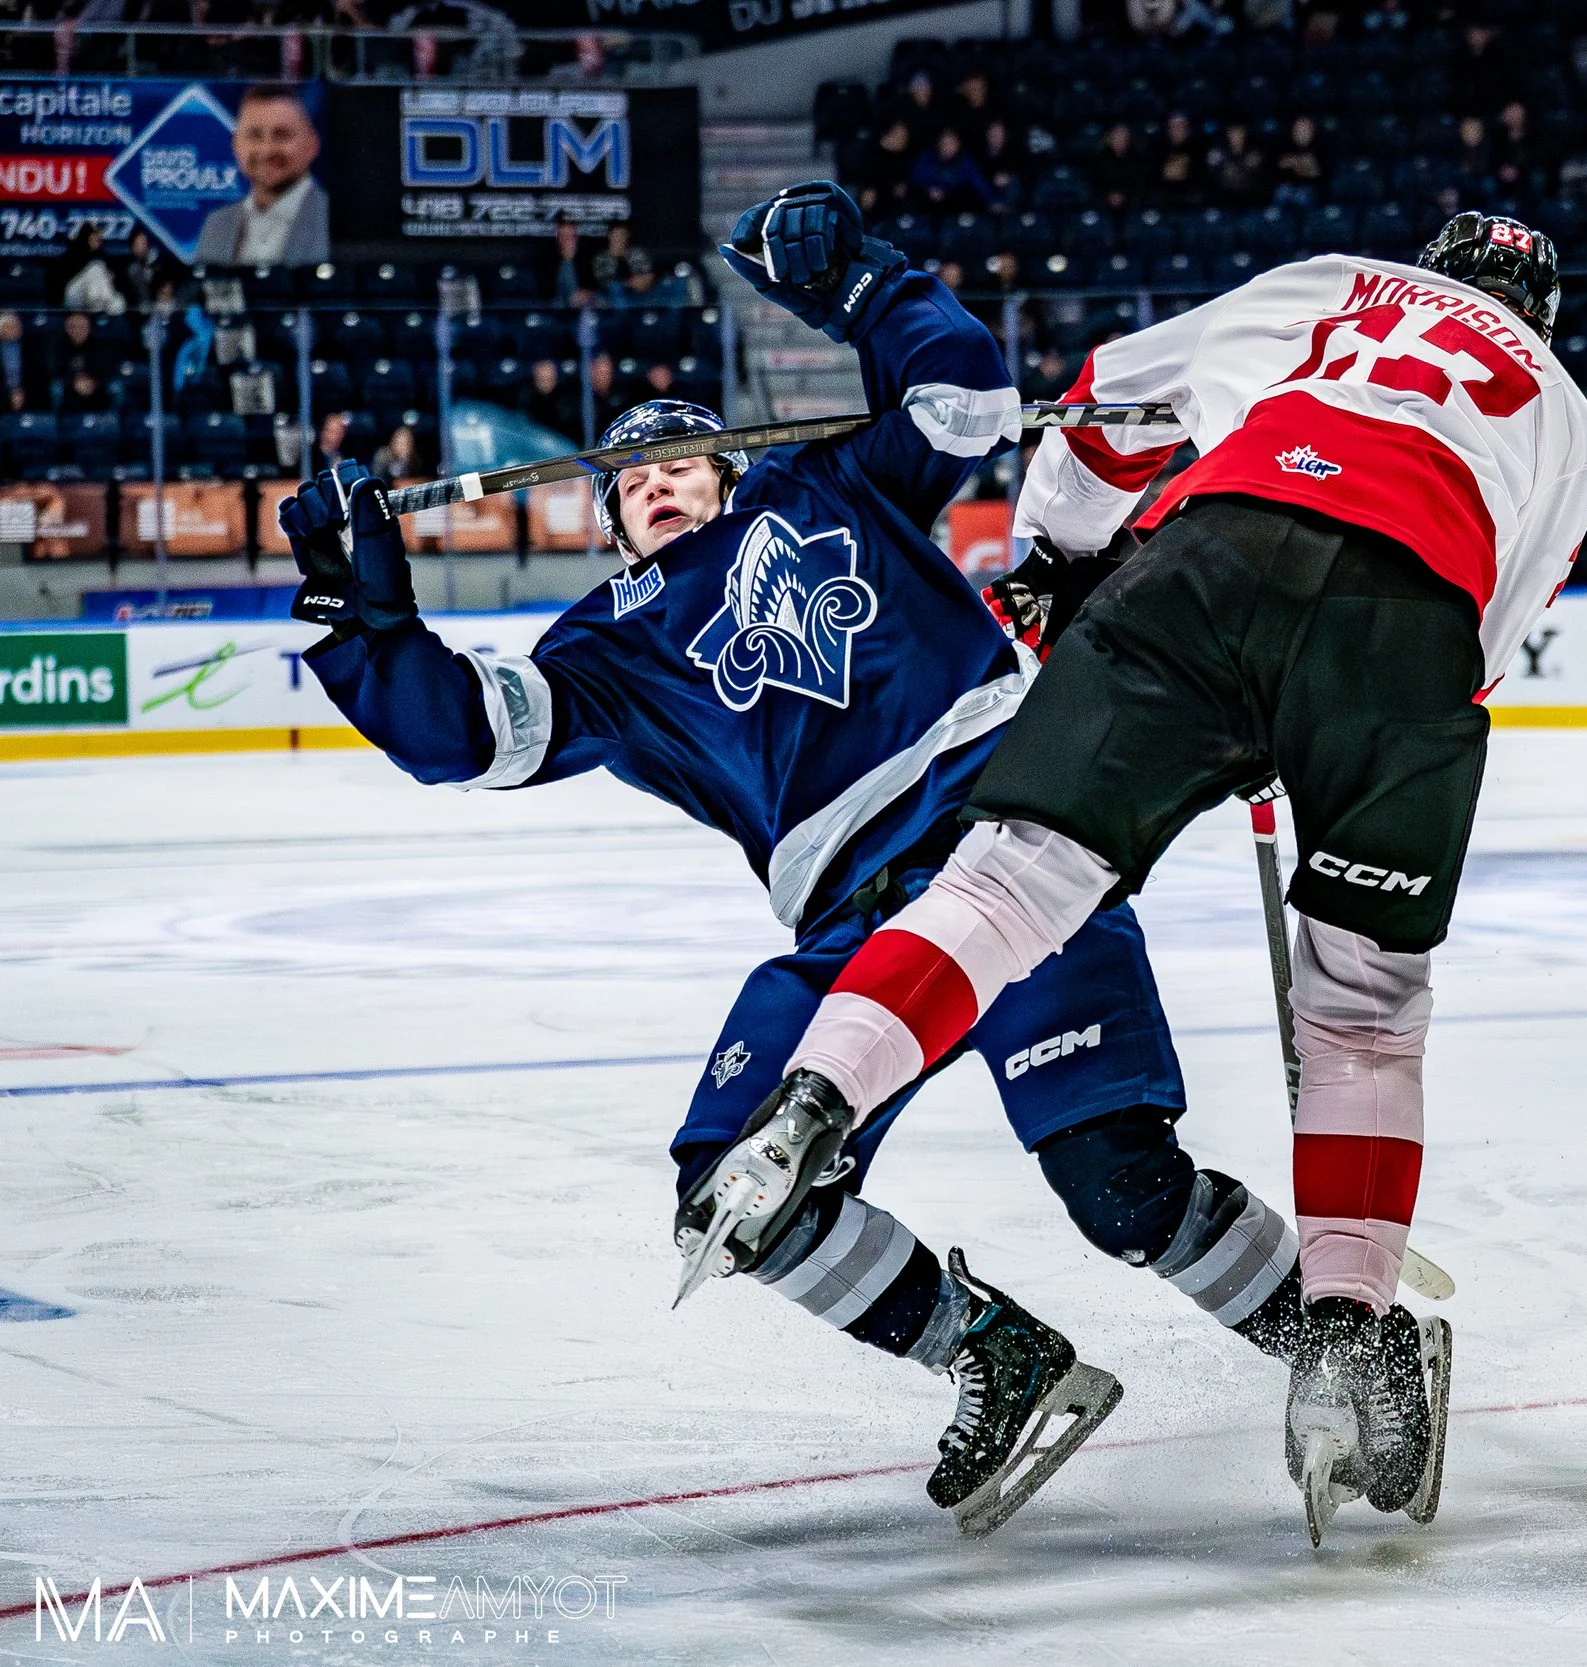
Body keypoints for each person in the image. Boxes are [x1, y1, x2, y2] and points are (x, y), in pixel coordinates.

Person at [278, 179, 1309, 1537]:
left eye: (680, 459)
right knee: (732, 1186)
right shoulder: (605, 648)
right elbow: (468, 733)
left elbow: (961, 398)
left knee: (1121, 1181)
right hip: (847, 920)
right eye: (628, 473)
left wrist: (863, 281)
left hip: (1013, 838)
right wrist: (365, 624)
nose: (653, 476)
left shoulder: (835, 482)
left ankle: (1347, 1344)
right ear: (607, 515)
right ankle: (998, 1356)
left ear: (730, 467)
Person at [732, 209, 1587, 1538]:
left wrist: (1062, 553)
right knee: (1362, 1006)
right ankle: (1347, 1339)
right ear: (1541, 314)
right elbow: (1481, 631)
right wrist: (1307, 714)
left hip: (1205, 558)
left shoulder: (1326, 286)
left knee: (1004, 883)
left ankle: (814, 1099)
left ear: (1424, 272)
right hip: (1406, 625)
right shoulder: (1570, 417)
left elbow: (1108, 404)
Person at [194, 85, 330, 266]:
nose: (266, 151)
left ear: (312, 145)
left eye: (282, 135)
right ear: (236, 146)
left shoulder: (332, 218)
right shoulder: (217, 224)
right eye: (254, 135)